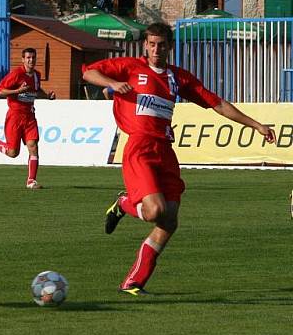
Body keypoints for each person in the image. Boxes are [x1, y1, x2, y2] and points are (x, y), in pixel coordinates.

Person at [82, 22, 276, 296]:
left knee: (169, 220)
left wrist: (255, 124)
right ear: (145, 45)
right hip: (140, 148)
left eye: (161, 44)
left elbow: (216, 103)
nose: (156, 49)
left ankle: (133, 283)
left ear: (170, 46)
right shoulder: (130, 66)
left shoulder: (178, 77)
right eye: (151, 44)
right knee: (155, 211)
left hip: (165, 150)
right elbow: (89, 72)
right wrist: (112, 83)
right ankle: (123, 203)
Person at [0, 47, 55, 189]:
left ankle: (31, 181)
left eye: (33, 57)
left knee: (33, 146)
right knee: (13, 152)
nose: (31, 60)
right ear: (23, 60)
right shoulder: (16, 74)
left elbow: (36, 90)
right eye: (28, 58)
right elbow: (0, 91)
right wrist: (17, 91)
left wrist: (47, 96)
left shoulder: (36, 75)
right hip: (15, 116)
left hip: (29, 116)